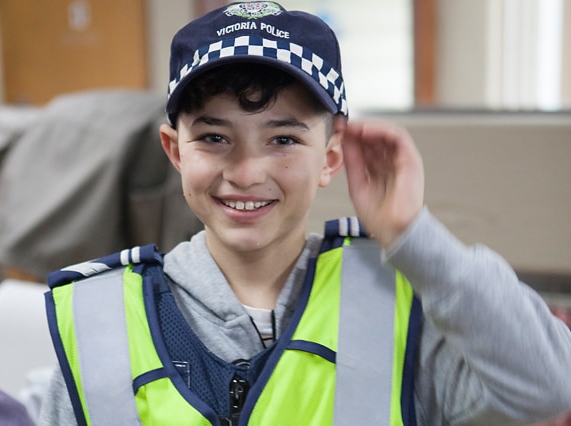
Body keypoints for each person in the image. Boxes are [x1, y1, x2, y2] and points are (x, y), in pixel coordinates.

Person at [39, 2, 571, 425]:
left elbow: (548, 387)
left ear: (330, 157)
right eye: (214, 137)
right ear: (176, 151)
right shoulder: (98, 319)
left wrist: (414, 237)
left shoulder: (400, 309)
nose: (246, 172)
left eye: (283, 139)